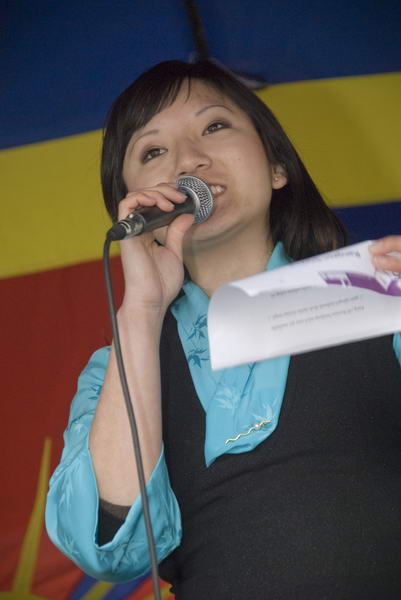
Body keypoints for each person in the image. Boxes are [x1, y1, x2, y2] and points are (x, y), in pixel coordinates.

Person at [45, 60, 401, 599]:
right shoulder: (116, 365)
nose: (188, 159)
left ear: (276, 166)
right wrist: (141, 309)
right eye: (153, 151)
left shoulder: (373, 292)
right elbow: (109, 550)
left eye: (214, 126)